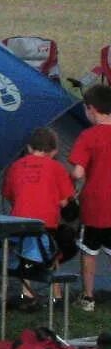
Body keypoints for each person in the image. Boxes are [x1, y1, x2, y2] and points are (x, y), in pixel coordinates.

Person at [0, 126, 76, 307]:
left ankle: (26, 293)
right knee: (56, 246)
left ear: (28, 147)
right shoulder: (57, 168)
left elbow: (10, 195)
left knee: (31, 249)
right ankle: (56, 295)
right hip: (46, 226)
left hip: (18, 226)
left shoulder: (15, 167)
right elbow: (66, 203)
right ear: (54, 151)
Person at [69, 84, 111, 312]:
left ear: (91, 109)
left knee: (89, 253)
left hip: (94, 204)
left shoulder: (88, 136)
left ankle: (88, 298)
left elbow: (78, 172)